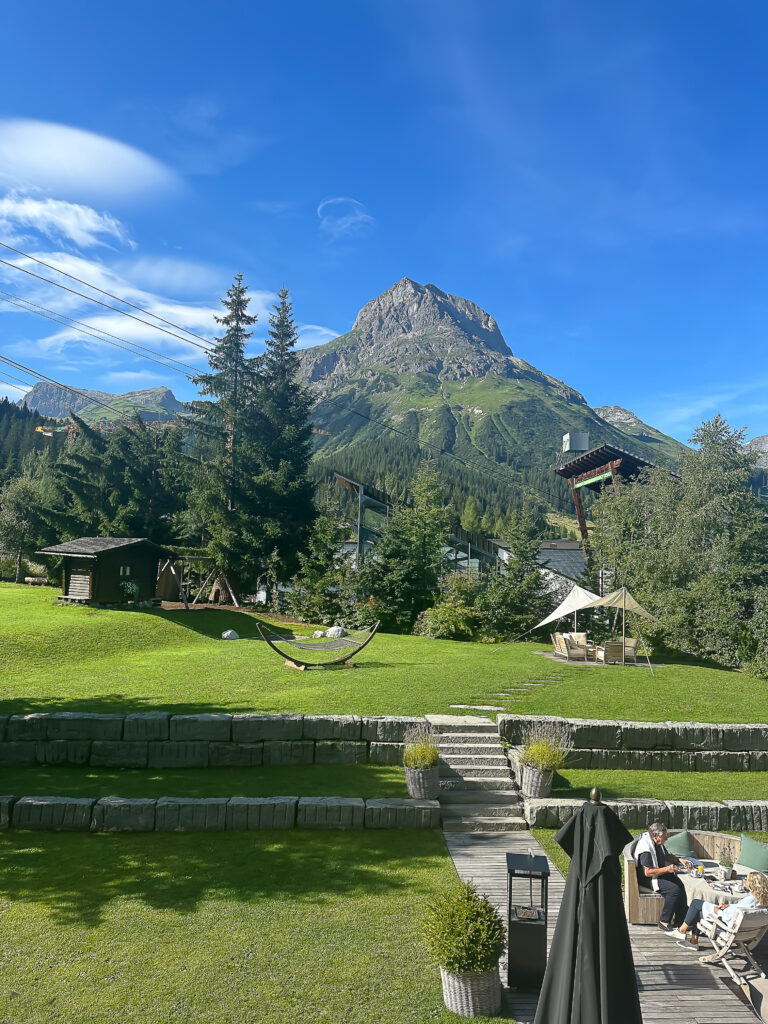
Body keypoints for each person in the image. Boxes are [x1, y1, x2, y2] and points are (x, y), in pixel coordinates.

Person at [672, 871, 768, 949]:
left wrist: (717, 910)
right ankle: (692, 940)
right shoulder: (761, 901)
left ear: (752, 884)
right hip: (746, 931)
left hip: (726, 926)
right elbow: (741, 909)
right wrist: (729, 906)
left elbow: (729, 917)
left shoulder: (750, 900)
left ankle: (682, 931)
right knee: (699, 908)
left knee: (696, 904)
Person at [634, 822, 694, 931]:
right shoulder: (646, 848)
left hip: (658, 873)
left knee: (680, 884)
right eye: (664, 837)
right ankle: (664, 921)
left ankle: (681, 920)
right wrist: (667, 869)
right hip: (648, 879)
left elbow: (665, 855)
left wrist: (680, 860)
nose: (666, 839)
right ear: (656, 836)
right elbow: (647, 872)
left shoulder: (657, 842)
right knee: (674, 890)